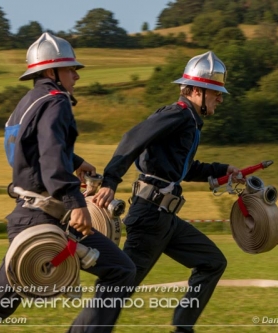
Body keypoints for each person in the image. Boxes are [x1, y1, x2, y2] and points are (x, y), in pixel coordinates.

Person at [0, 32, 135, 333]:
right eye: (71, 69)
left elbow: (26, 151)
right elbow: (51, 153)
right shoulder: (57, 102)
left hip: (31, 215)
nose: (76, 76)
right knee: (121, 271)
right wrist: (75, 201)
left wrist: (75, 161)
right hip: (45, 217)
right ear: (51, 71)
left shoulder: (27, 103)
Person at [93, 51, 244, 333]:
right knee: (119, 286)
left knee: (212, 263)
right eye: (216, 92)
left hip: (166, 219)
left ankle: (182, 328)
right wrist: (110, 179)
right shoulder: (177, 114)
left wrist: (224, 170)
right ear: (197, 91)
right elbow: (132, 138)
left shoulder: (188, 122)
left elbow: (182, 169)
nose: (220, 99)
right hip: (150, 217)